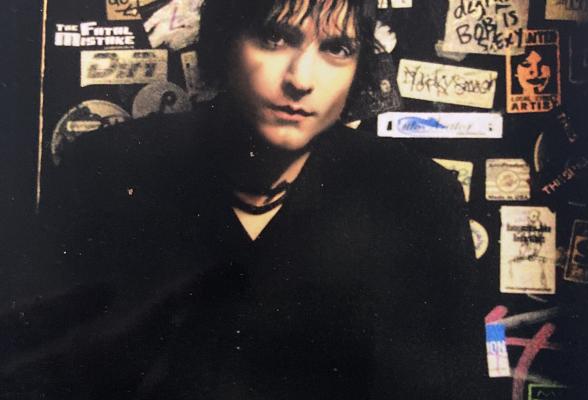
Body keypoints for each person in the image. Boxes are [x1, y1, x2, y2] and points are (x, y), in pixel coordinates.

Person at [2, 0, 492, 398]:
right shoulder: (107, 170)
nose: (301, 79)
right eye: (275, 38)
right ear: (224, 41)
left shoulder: (417, 197)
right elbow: (35, 376)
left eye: (337, 49)